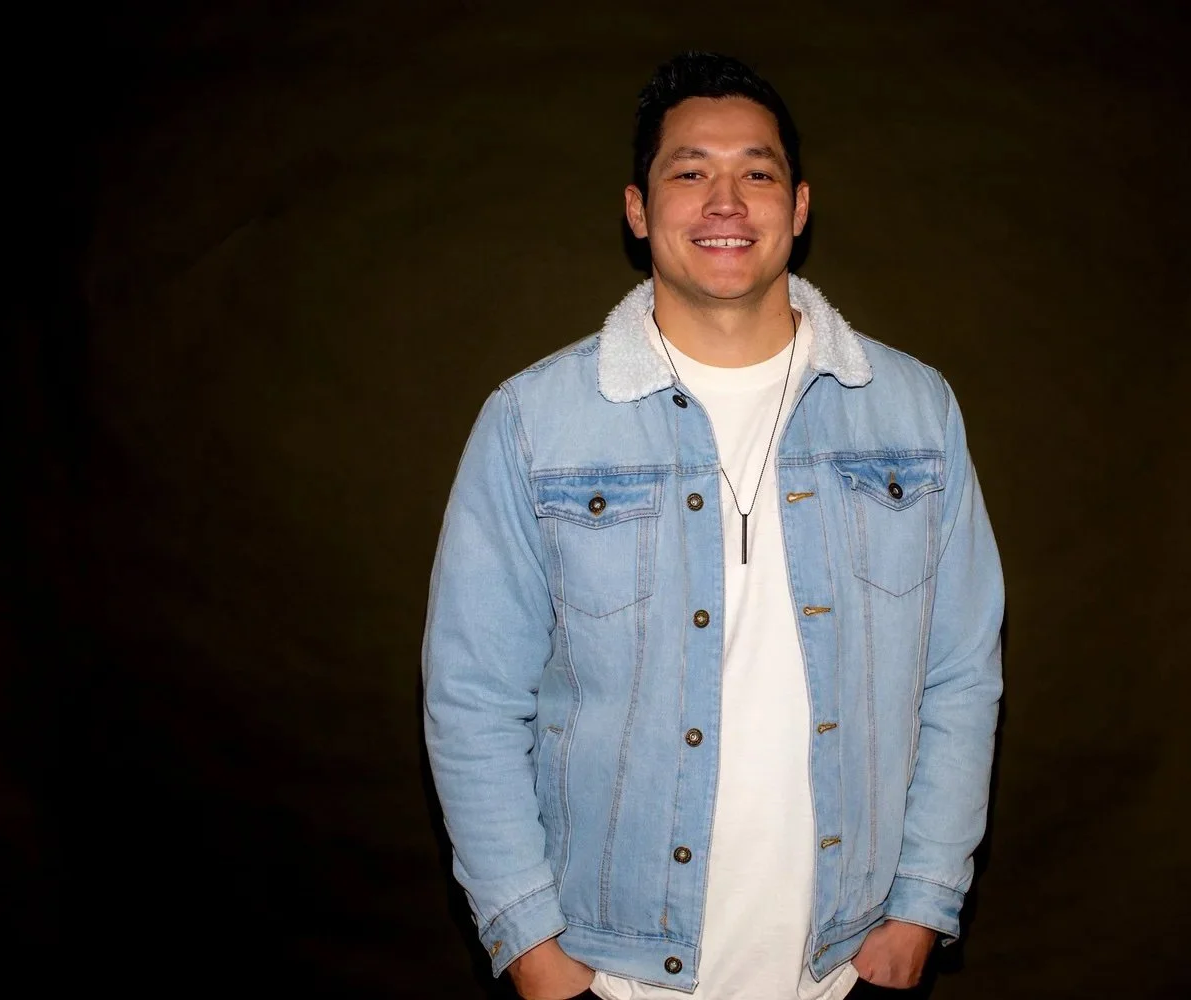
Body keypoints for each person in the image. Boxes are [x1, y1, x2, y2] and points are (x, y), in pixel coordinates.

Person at [422, 52, 1004, 1000]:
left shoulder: (913, 413)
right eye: (690, 171)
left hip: (842, 965)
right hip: (611, 969)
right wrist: (533, 951)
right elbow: (473, 700)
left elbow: (961, 673)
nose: (726, 200)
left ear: (800, 206)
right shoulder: (533, 424)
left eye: (757, 172)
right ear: (638, 209)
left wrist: (920, 909)